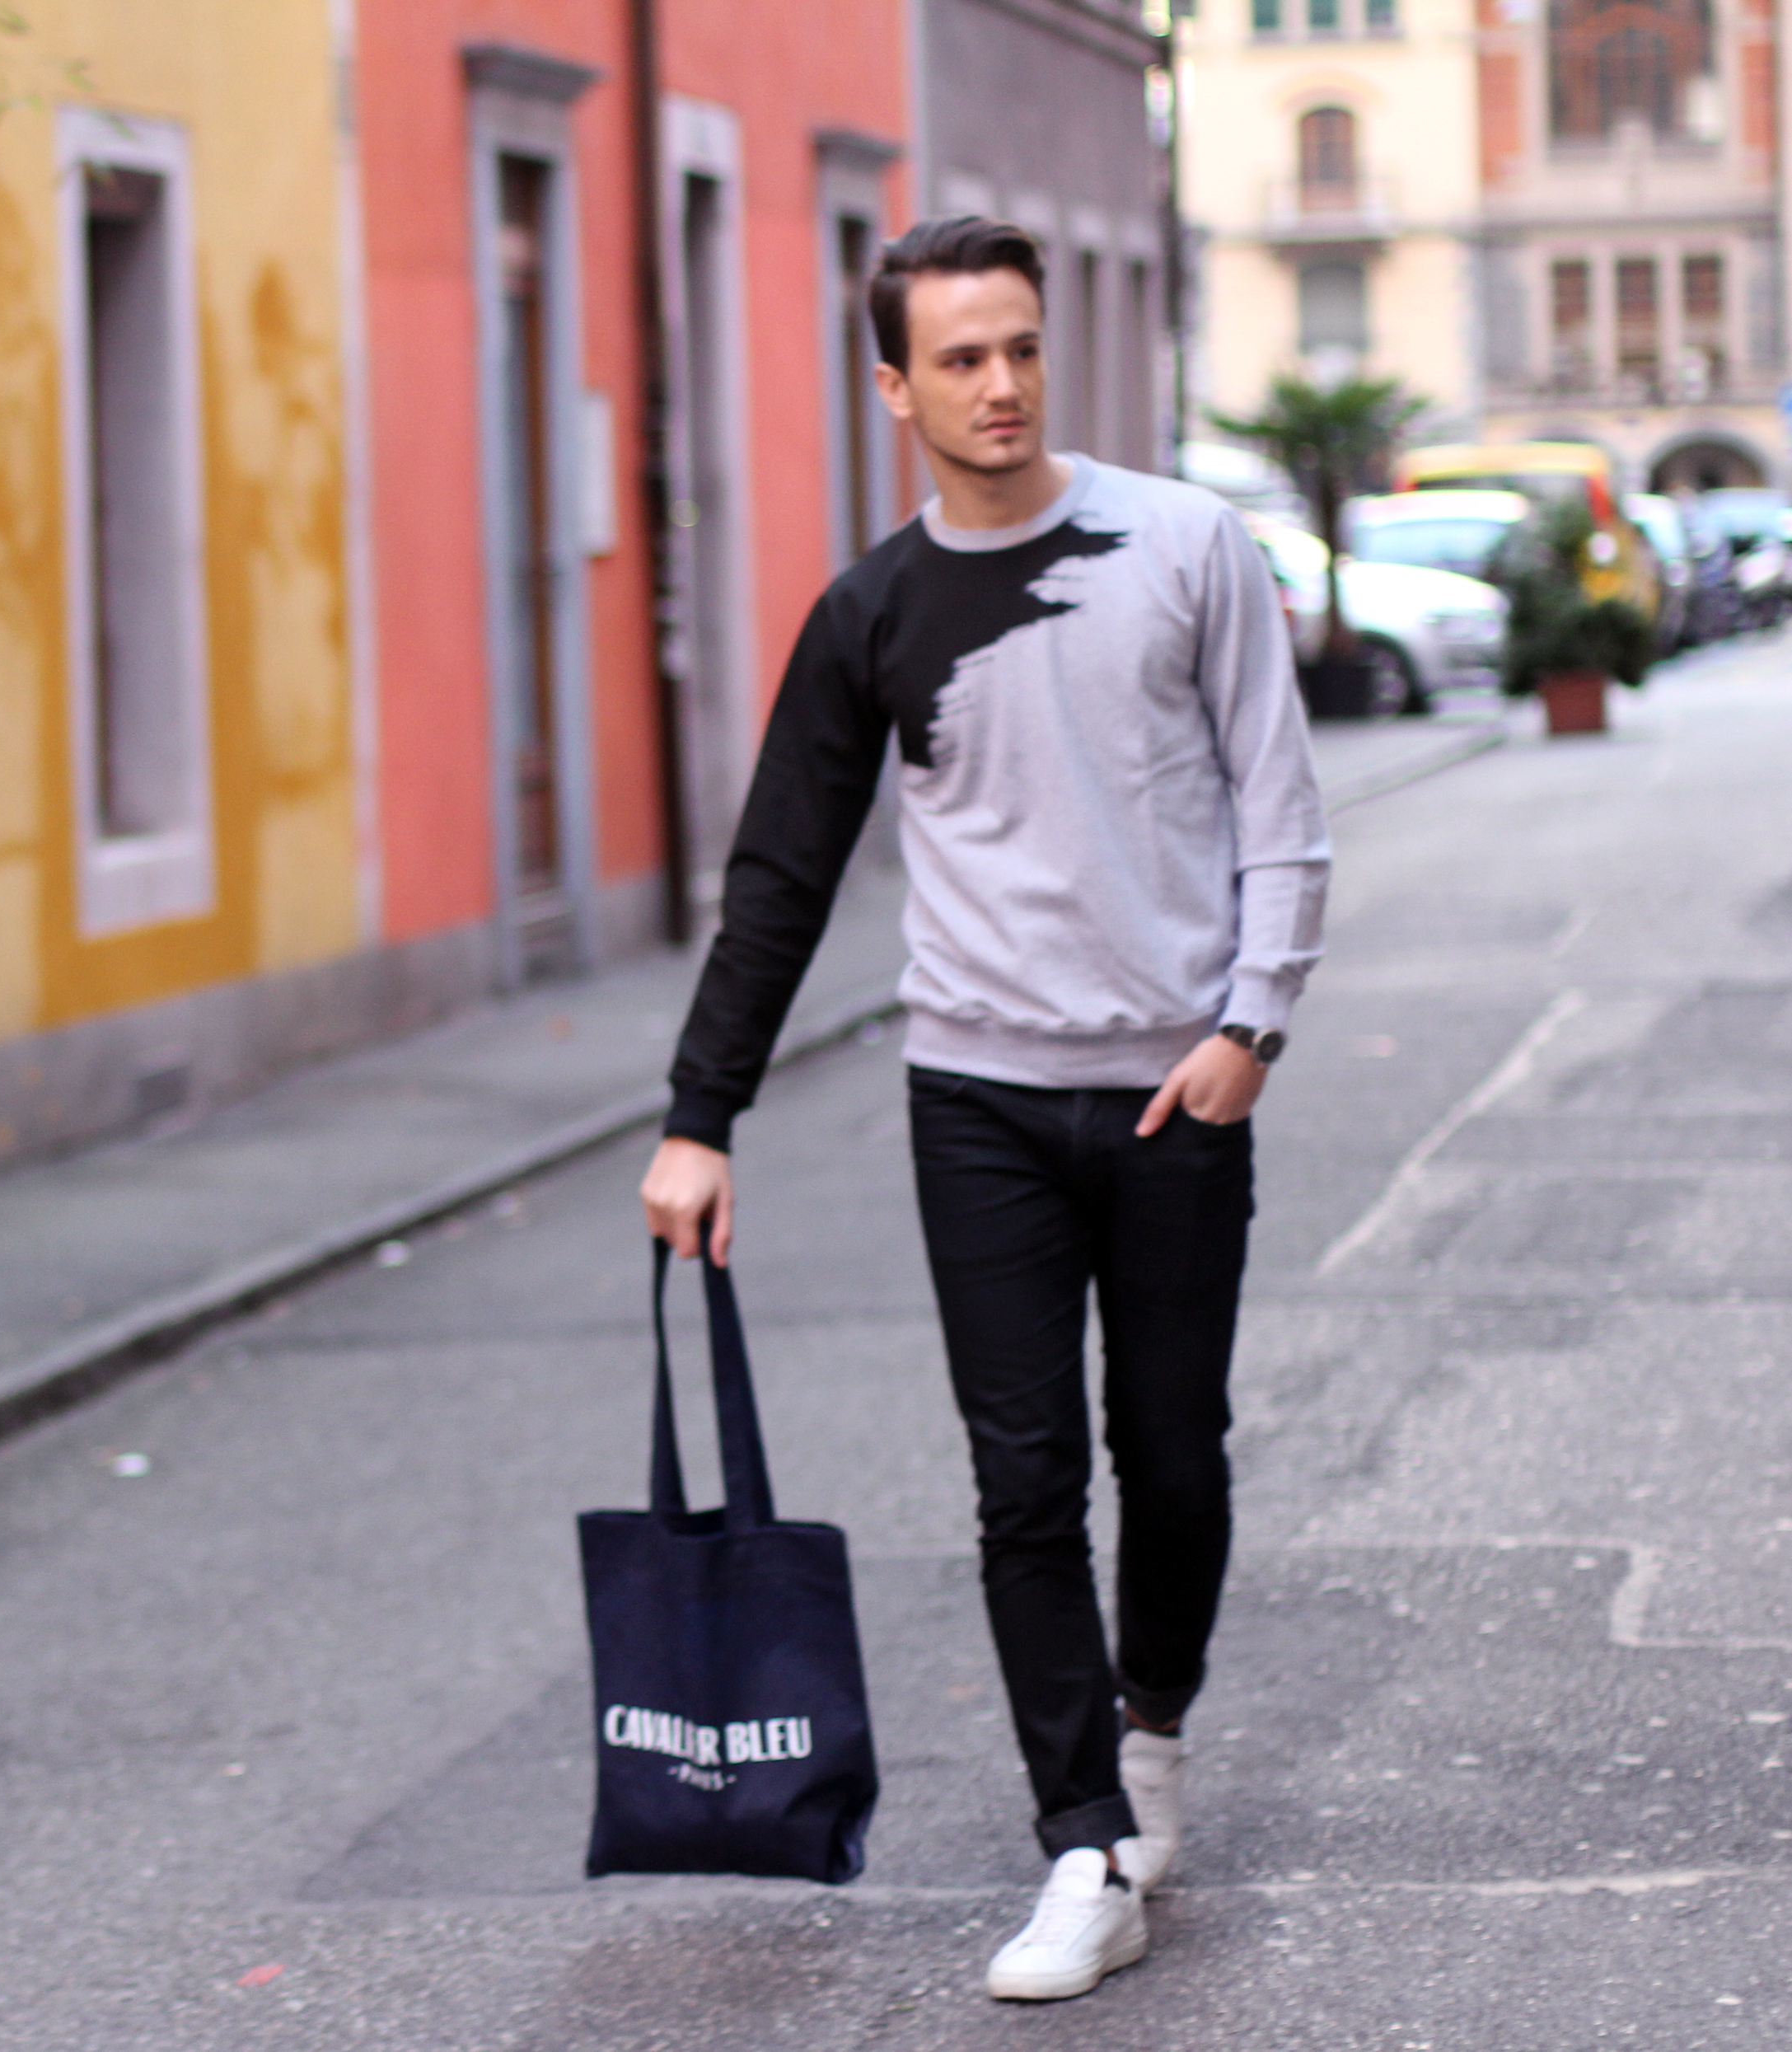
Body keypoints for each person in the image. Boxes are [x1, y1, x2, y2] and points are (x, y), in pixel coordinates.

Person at [639, 215, 1329, 2003]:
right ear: (897, 387)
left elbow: (1279, 802)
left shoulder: (1182, 543)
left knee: (1171, 1455)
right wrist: (701, 1114)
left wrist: (1252, 1025)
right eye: (960, 357)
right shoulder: (871, 612)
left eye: (1019, 346)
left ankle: (1151, 1727)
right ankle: (1082, 1846)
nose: (1001, 383)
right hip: (978, 1100)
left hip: (1176, 1089)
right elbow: (781, 875)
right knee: (1022, 1485)